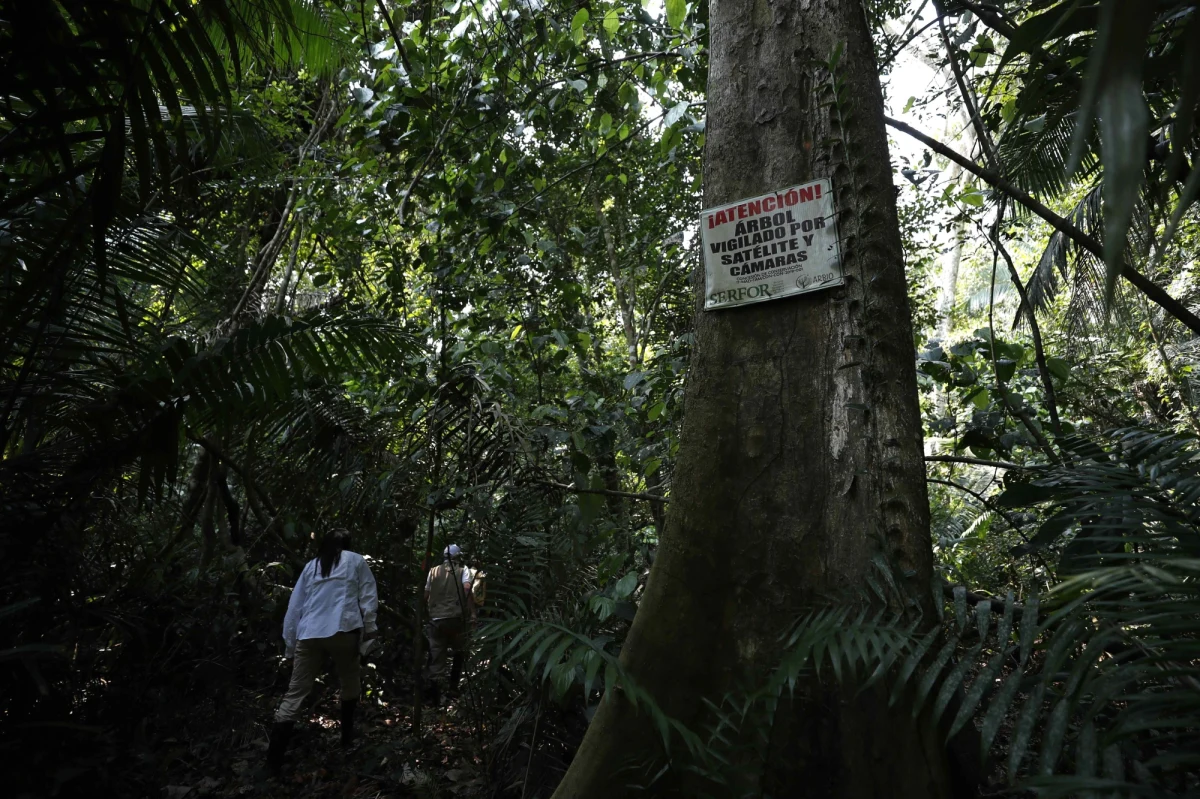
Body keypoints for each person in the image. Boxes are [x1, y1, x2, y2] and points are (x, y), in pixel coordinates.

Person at [266, 529, 378, 776]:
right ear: (347, 545)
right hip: (344, 630)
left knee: (295, 693)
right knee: (350, 682)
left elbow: (295, 607)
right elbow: (368, 598)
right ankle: (346, 740)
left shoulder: (311, 566)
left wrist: (290, 646)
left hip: (309, 634)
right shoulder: (356, 561)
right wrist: (370, 629)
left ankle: (272, 762)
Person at [423, 544, 474, 701]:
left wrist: (425, 613)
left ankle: (434, 696)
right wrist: (472, 612)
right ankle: (453, 688)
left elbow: (426, 593)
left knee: (437, 655)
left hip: (436, 619)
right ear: (458, 557)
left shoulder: (433, 571)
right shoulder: (463, 570)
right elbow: (466, 589)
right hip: (456, 618)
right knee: (460, 651)